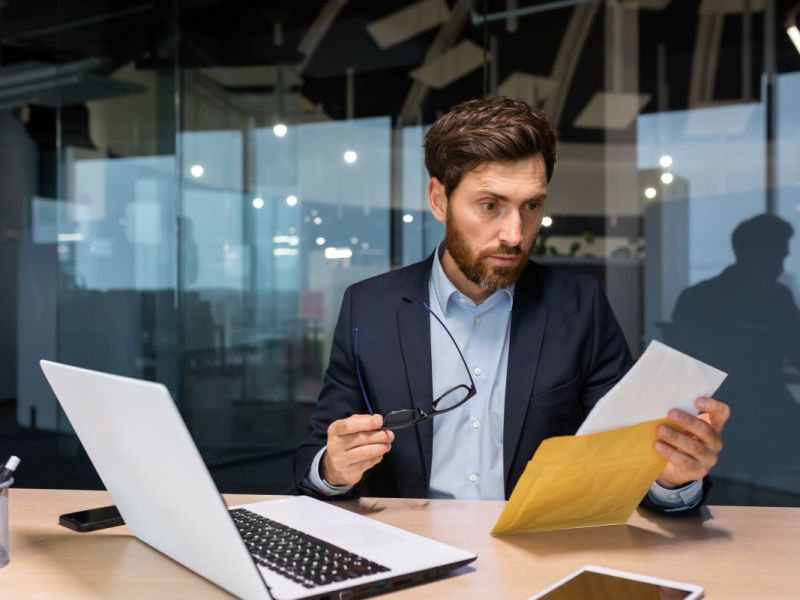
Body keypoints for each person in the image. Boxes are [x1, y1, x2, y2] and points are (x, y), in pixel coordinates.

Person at [294, 97, 729, 511]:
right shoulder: (368, 307)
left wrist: (672, 479)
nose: (515, 234)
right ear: (439, 199)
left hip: (537, 553)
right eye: (490, 205)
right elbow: (314, 462)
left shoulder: (580, 307)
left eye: (532, 206)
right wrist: (334, 468)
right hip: (408, 548)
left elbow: (625, 463)